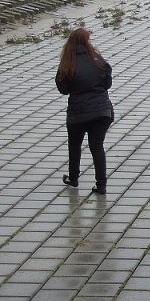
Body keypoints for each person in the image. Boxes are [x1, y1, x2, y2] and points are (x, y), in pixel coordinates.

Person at [55, 28, 114, 195]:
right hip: (102, 111)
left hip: (78, 113)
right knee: (97, 147)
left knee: (74, 145)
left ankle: (73, 178)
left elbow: (63, 89)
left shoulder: (68, 64)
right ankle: (101, 186)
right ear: (88, 42)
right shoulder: (99, 61)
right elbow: (107, 84)